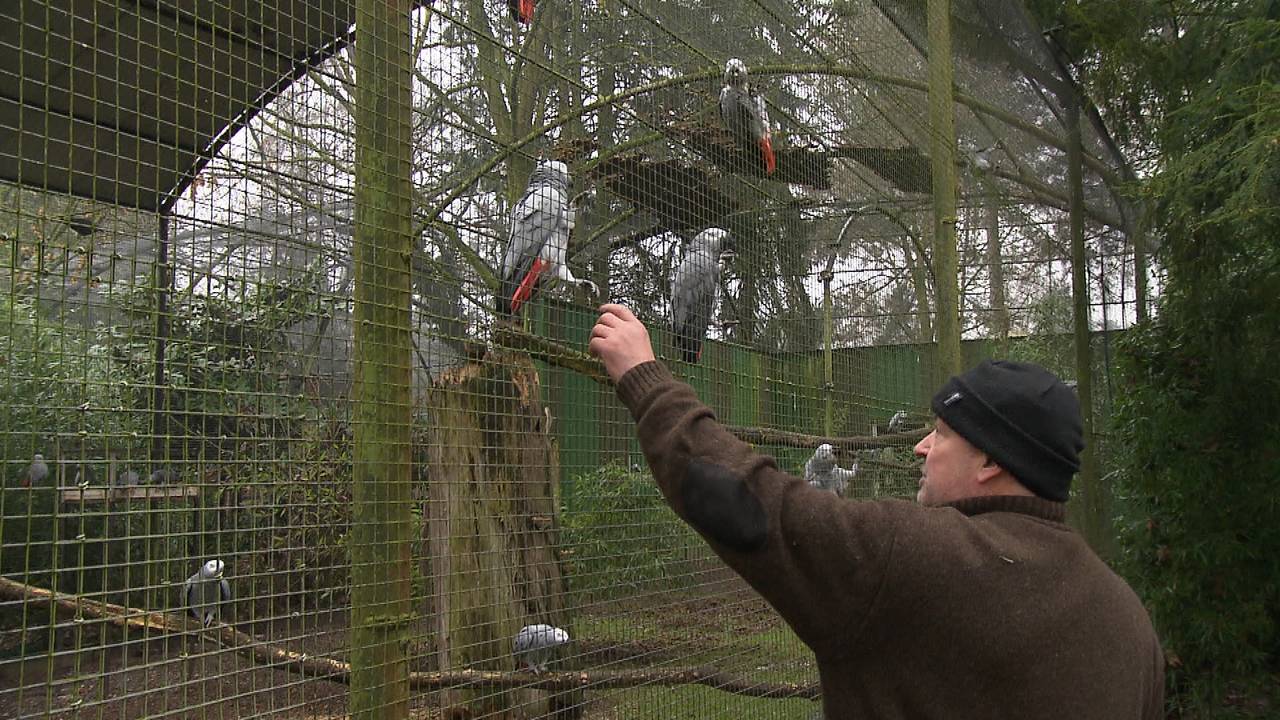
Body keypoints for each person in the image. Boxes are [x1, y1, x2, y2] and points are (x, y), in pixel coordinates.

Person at [588, 303, 1164, 720]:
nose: (920, 446)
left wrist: (646, 379)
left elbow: (744, 502)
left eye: (940, 433)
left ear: (991, 460)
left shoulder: (918, 558)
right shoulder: (1129, 621)